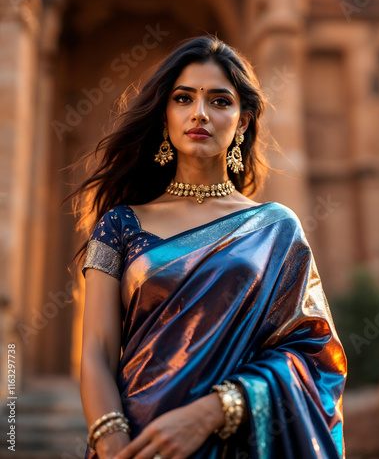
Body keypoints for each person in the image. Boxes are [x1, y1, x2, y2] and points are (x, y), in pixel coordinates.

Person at [65, 35, 347, 459]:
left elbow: (314, 356)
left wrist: (215, 410)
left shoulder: (275, 227)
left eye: (219, 101)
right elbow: (97, 352)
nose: (200, 113)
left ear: (244, 120)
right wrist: (113, 444)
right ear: (164, 116)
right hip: (136, 443)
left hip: (237, 441)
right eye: (183, 99)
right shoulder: (121, 224)